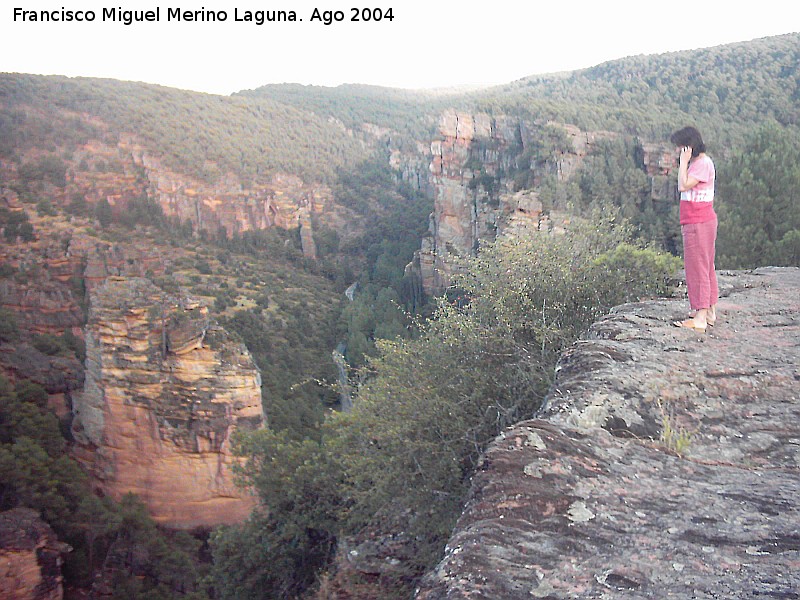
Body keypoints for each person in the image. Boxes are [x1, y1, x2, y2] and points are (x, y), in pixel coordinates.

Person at [669, 126, 718, 331]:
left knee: (697, 268)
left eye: (680, 148)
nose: (678, 151)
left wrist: (682, 163)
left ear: (689, 147)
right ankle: (709, 312)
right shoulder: (702, 163)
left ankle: (699, 317)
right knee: (706, 267)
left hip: (697, 222)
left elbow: (683, 185)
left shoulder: (701, 164)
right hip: (702, 220)